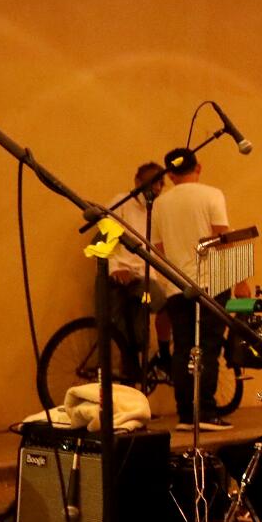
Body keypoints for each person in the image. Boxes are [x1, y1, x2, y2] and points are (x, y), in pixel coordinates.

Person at [151, 147, 234, 433]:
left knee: (183, 348)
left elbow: (159, 248)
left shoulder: (160, 204)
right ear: (198, 167)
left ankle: (185, 414)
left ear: (170, 174)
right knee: (208, 348)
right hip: (212, 281)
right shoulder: (212, 195)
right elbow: (222, 238)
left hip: (177, 284)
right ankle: (207, 412)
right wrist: (239, 277)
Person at [107, 160, 166, 379]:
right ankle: (159, 357)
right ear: (138, 182)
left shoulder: (157, 210)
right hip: (121, 276)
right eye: (153, 183)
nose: (157, 189)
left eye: (161, 184)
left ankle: (153, 357)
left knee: (154, 306)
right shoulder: (121, 203)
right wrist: (114, 268)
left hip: (144, 280)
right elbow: (106, 237)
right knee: (162, 301)